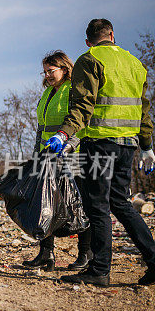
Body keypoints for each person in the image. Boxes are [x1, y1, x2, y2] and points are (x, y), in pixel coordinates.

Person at [46, 19, 155, 286]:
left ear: (88, 41)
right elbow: (143, 108)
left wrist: (64, 133)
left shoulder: (90, 59)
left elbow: (84, 104)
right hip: (128, 144)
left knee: (97, 206)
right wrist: (148, 146)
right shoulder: (135, 63)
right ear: (112, 35)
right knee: (120, 203)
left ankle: (100, 270)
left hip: (100, 143)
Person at [22, 50, 92, 271]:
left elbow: (82, 122)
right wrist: (37, 154)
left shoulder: (73, 90)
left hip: (72, 157)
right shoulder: (47, 94)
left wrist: (68, 145)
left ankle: (85, 254)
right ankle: (46, 253)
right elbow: (41, 129)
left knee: (79, 205)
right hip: (47, 157)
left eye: (51, 71)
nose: (47, 75)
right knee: (46, 204)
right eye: (44, 72)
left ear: (64, 68)